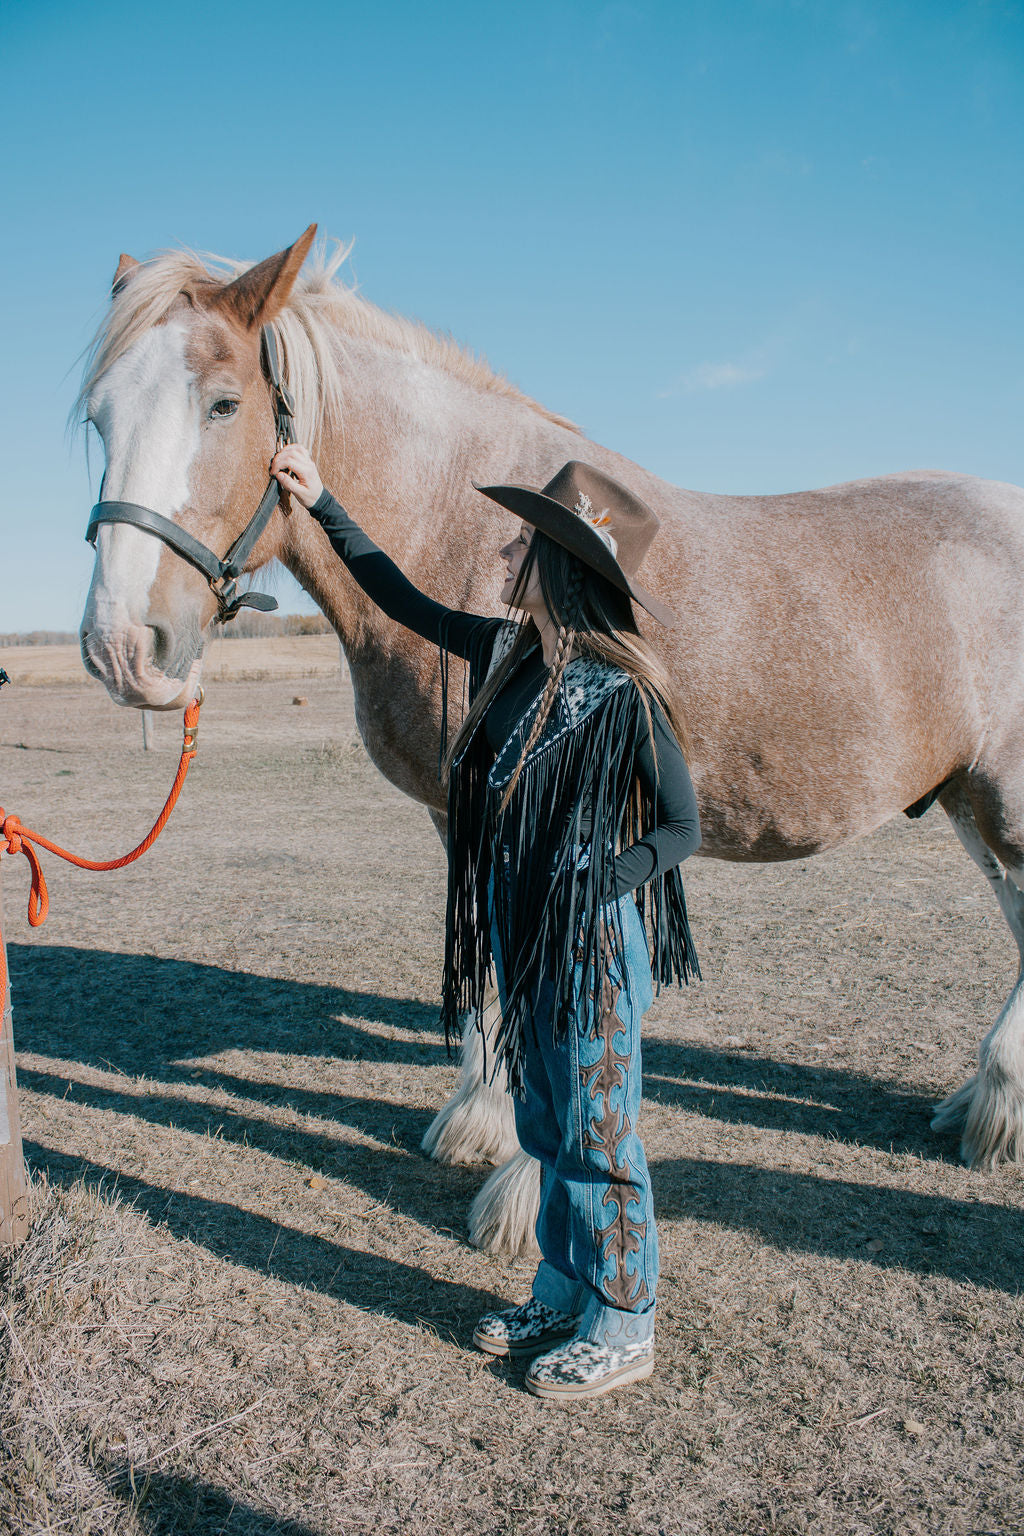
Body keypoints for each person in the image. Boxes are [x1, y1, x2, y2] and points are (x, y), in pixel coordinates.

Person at [271, 446, 701, 1400]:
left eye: (525, 545)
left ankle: (624, 1322)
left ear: (561, 568)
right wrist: (324, 502)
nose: (507, 555)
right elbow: (399, 598)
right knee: (546, 1124)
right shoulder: (507, 653)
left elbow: (682, 826)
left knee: (600, 1132)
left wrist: (604, 879)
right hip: (520, 932)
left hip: (590, 946)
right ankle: (560, 1291)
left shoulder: (624, 692)